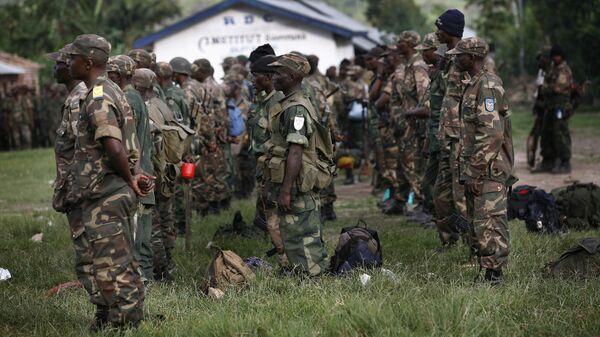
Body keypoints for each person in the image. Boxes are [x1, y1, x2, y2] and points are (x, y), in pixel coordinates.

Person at [64, 34, 152, 329]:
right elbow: (129, 144)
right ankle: (123, 320)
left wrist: (129, 179)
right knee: (121, 262)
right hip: (113, 190)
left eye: (72, 57)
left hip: (107, 194)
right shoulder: (113, 88)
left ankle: (126, 325)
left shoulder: (98, 95)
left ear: (87, 62)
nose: (67, 61)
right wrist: (134, 176)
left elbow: (114, 146)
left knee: (113, 267)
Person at [448, 37, 515, 284]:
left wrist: (476, 171)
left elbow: (492, 134)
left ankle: (495, 275)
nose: (456, 59)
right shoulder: (474, 83)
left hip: (490, 167)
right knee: (480, 221)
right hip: (478, 165)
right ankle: (487, 271)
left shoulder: (487, 85)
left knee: (491, 220)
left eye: (460, 55)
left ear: (474, 57)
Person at [263, 53, 328, 276]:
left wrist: (286, 191)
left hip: (298, 182)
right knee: (294, 231)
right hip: (296, 180)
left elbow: (296, 151)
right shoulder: (290, 103)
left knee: (302, 232)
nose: (274, 77)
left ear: (291, 76)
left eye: (279, 73)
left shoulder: (295, 109)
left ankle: (312, 278)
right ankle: (303, 273)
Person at [47, 43, 90, 314]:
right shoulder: (72, 97)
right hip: (72, 183)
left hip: (79, 184)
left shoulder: (78, 100)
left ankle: (92, 288)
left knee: (85, 235)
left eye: (60, 63)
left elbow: (84, 149)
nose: (56, 68)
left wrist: (77, 187)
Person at [133, 68, 180, 281]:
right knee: (163, 221)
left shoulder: (144, 109)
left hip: (149, 174)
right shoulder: (162, 105)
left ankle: (158, 273)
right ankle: (167, 266)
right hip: (165, 172)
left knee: (150, 228)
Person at [433, 8, 469, 248]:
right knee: (441, 194)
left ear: (449, 31)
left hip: (462, 138)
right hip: (447, 136)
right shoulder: (448, 59)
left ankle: (474, 247)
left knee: (462, 194)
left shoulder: (466, 57)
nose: (436, 32)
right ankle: (449, 240)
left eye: (440, 28)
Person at [248, 53, 287, 264]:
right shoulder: (264, 102)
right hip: (264, 169)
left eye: (256, 76)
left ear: (268, 77)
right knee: (271, 217)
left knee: (277, 218)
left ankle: (288, 261)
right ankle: (284, 258)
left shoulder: (278, 102)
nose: (253, 81)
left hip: (276, 170)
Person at [540, 45, 574, 174]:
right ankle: (548, 161)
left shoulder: (564, 70)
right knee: (546, 132)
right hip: (550, 105)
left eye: (557, 55)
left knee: (560, 132)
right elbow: (545, 85)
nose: (555, 58)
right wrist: (547, 87)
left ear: (561, 56)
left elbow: (557, 87)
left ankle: (565, 162)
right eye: (553, 56)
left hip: (560, 106)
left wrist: (547, 87)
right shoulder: (553, 69)